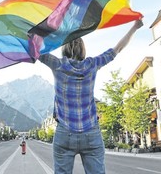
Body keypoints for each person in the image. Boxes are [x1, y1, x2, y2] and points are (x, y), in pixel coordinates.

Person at [39, 20, 143, 174]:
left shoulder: (57, 64)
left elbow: (34, 49)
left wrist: (34, 30)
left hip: (64, 132)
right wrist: (134, 27)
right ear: (82, 49)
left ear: (65, 49)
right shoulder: (93, 64)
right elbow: (117, 49)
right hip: (91, 132)